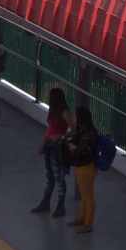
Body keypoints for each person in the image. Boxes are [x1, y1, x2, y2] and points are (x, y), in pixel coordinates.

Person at [31, 87, 72, 217]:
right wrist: (43, 144)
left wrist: (62, 137)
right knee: (51, 175)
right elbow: (50, 129)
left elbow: (73, 128)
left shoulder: (64, 112)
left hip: (58, 146)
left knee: (58, 176)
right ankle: (47, 202)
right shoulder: (53, 110)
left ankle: (59, 205)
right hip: (50, 145)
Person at [64, 107, 98, 233]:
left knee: (88, 195)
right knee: (84, 195)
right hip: (81, 166)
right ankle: (82, 218)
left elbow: (81, 150)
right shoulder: (83, 130)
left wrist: (72, 146)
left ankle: (88, 223)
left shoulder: (88, 133)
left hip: (86, 167)